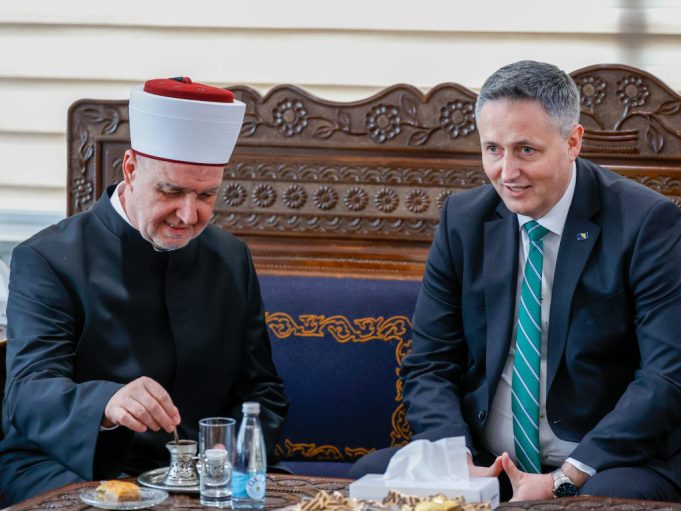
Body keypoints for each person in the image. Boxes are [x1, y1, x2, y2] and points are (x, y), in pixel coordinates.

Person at [351, 61, 681, 502]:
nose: (506, 172)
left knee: (608, 499)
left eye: (526, 150)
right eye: (493, 149)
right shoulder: (463, 221)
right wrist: (456, 458)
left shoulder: (646, 223)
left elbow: (666, 377)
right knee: (371, 475)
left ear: (573, 142)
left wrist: (565, 477)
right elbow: (430, 363)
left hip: (602, 464)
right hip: (488, 463)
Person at [0, 77, 289, 504]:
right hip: (67, 466)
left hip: (198, 476)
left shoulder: (231, 258)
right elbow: (28, 393)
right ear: (131, 169)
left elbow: (261, 390)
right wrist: (107, 402)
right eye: (171, 191)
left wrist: (223, 460)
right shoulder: (47, 259)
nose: (188, 215)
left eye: (206, 195)